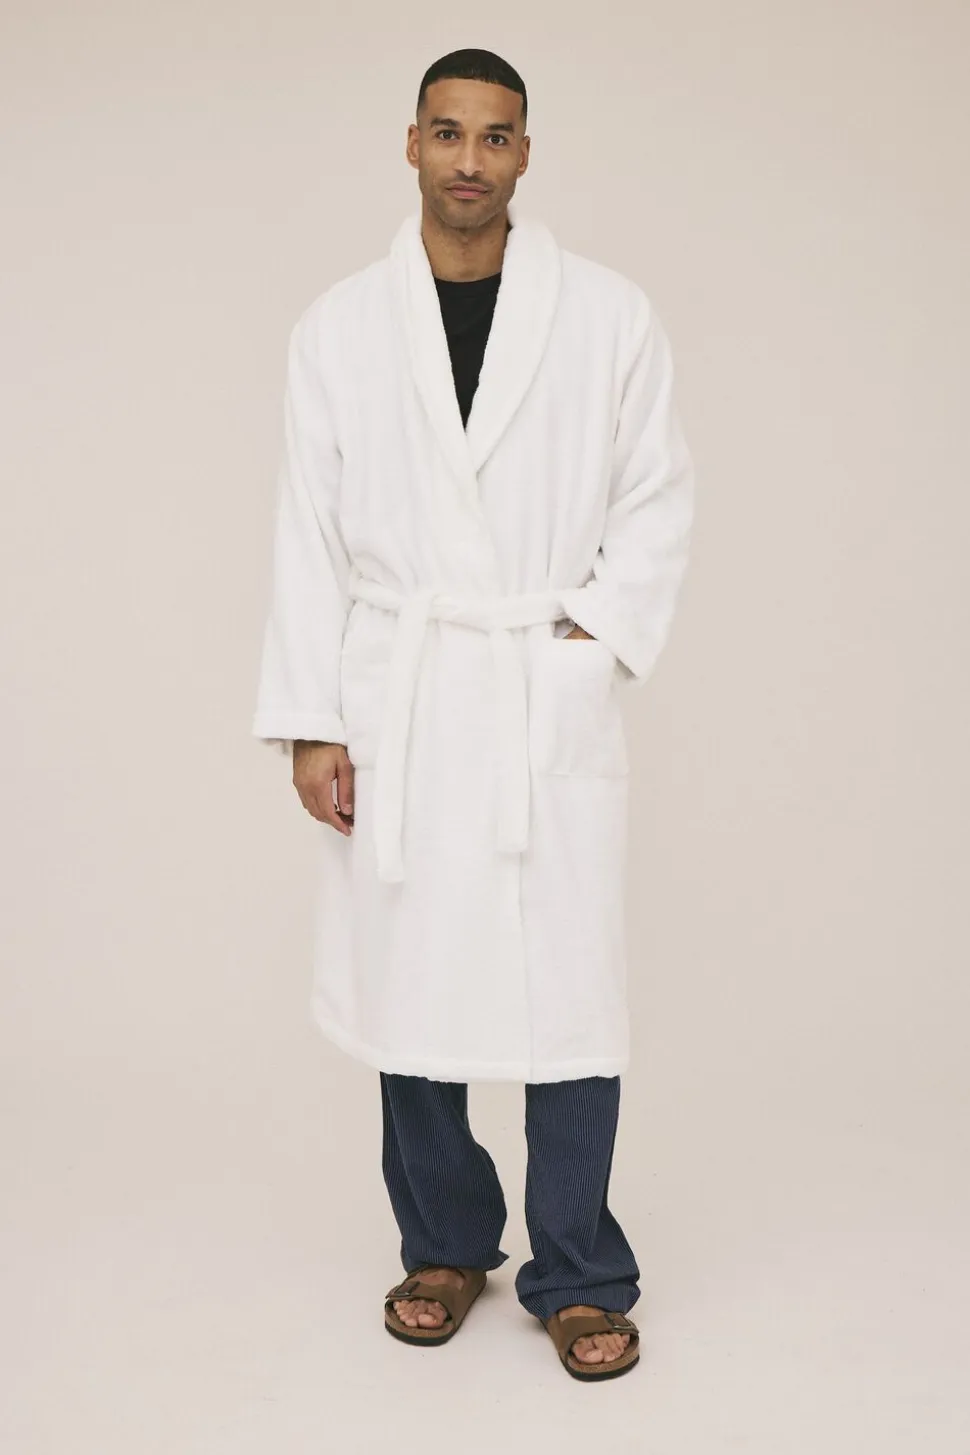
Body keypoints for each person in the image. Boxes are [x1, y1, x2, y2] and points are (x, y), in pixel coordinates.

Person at [251, 48, 694, 1381]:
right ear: (410, 144)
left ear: (524, 155)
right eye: (446, 133)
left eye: (494, 137)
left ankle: (580, 1269)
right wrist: (313, 719)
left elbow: (655, 493)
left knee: (570, 986)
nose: (468, 160)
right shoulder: (339, 327)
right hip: (403, 685)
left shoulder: (607, 316)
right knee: (412, 978)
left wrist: (593, 638)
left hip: (530, 683)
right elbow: (306, 531)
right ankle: (443, 1243)